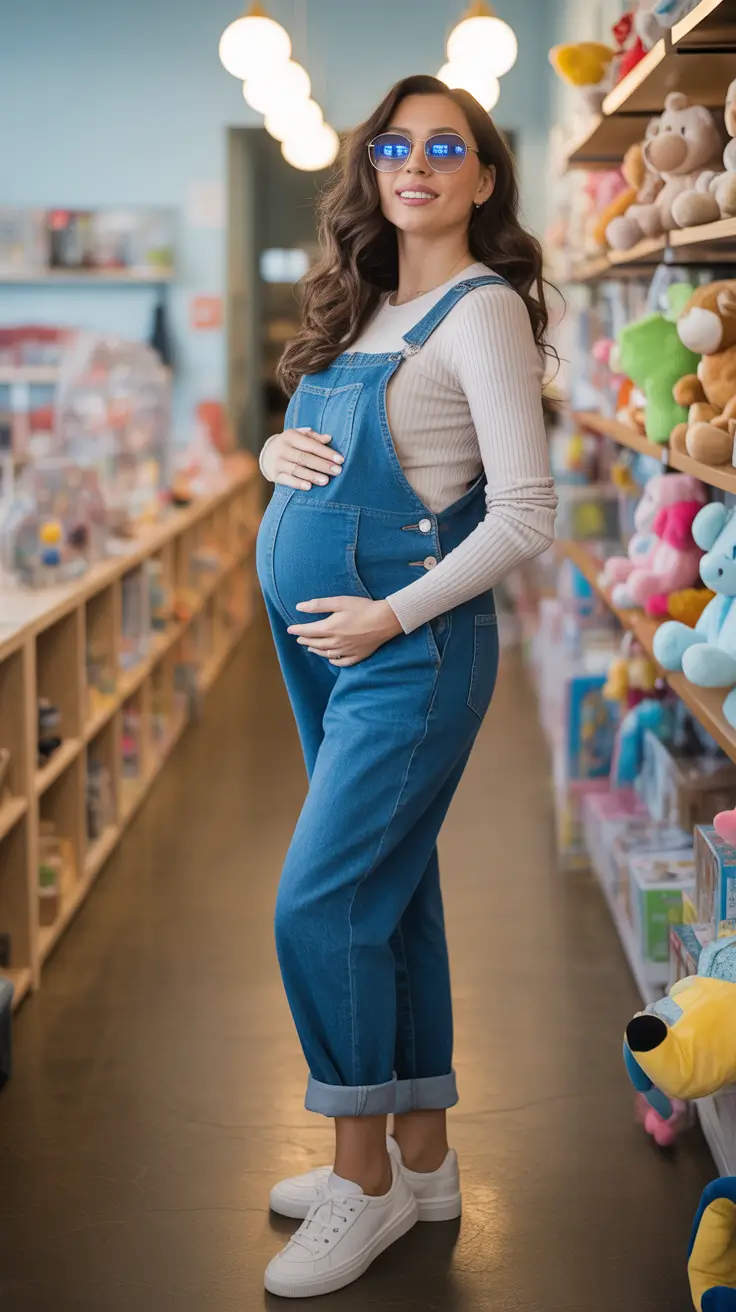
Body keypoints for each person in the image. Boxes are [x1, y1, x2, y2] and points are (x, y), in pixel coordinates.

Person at [255, 73, 557, 1299]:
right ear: (369, 170)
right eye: (394, 145)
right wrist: (274, 451)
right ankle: (422, 1158)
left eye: (446, 146)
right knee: (388, 893)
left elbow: (524, 513)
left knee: (319, 904)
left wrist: (389, 613)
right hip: (329, 647)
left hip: (409, 649)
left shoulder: (481, 311)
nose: (416, 164)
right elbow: (340, 452)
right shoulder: (371, 304)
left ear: (482, 176)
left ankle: (361, 1179)